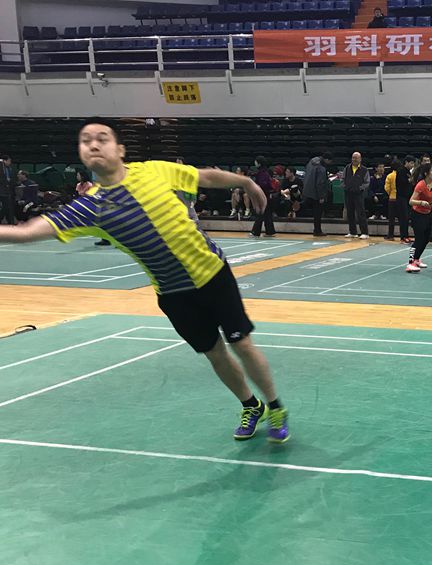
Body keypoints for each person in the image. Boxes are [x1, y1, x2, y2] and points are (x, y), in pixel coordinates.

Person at [0, 117, 290, 442]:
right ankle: (251, 405)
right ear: (81, 154)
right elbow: (28, 232)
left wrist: (247, 183)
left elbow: (205, 176)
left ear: (120, 149)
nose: (94, 144)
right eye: (85, 140)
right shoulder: (89, 208)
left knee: (242, 344)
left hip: (213, 275)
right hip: (174, 294)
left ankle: (275, 406)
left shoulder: (153, 171)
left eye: (102, 138)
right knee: (215, 354)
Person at [302, 151, 334, 237]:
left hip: (307, 189)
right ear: (327, 159)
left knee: (309, 209)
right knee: (317, 213)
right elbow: (320, 183)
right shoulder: (321, 168)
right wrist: (321, 196)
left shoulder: (311, 161)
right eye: (330, 161)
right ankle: (317, 230)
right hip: (316, 193)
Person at [343, 151, 370, 239]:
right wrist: (345, 186)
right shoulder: (347, 168)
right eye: (353, 157)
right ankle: (353, 232)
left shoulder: (364, 170)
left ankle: (365, 233)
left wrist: (360, 188)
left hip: (359, 194)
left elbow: (367, 182)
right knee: (350, 213)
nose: (354, 159)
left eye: (356, 158)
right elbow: (343, 178)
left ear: (360, 159)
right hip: (348, 193)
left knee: (360, 213)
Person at [249, 156, 278, 238]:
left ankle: (255, 232)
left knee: (260, 214)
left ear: (259, 163)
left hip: (264, 196)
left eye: (256, 161)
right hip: (267, 196)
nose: (255, 163)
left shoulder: (262, 173)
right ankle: (270, 232)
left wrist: (256, 187)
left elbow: (263, 185)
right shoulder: (263, 172)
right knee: (267, 215)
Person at [0, 154, 16, 225]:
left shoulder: (9, 168)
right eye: (9, 161)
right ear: (4, 161)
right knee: (6, 206)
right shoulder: (1, 167)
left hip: (7, 191)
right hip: (2, 191)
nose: (10, 162)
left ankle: (10, 221)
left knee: (7, 207)